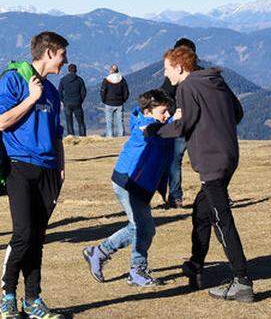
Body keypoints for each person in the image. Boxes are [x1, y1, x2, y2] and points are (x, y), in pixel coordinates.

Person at [156, 45, 254, 303]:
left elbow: (183, 125)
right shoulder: (215, 80)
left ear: (179, 67)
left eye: (167, 69)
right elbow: (238, 113)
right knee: (202, 211)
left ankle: (242, 281)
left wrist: (154, 131)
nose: (166, 75)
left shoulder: (187, 87)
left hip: (212, 161)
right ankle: (196, 264)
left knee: (222, 219)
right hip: (229, 155)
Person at [0, 31, 69, 319]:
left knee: (38, 237)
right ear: (49, 52)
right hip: (20, 166)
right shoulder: (14, 79)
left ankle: (33, 299)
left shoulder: (52, 90)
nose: (65, 60)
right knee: (23, 233)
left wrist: (61, 164)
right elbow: (2, 121)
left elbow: (57, 132)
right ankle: (8, 294)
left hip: (49, 170)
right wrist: (31, 98)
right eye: (62, 54)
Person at [83, 89, 175, 288]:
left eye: (168, 112)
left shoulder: (153, 121)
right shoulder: (147, 128)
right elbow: (155, 133)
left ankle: (100, 253)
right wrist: (178, 119)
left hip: (136, 183)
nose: (167, 115)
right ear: (149, 111)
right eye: (163, 112)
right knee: (142, 228)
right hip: (129, 183)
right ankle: (135, 269)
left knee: (142, 227)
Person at [161, 37, 196, 209]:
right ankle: (220, 195)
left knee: (174, 160)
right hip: (199, 125)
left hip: (180, 124)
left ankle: (175, 197)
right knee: (207, 162)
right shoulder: (202, 74)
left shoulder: (175, 75)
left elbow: (164, 94)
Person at [100, 65, 130, 138]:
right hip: (119, 103)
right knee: (120, 122)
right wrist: (123, 100)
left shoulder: (106, 80)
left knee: (109, 122)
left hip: (108, 103)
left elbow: (103, 91)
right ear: (117, 70)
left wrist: (104, 100)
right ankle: (121, 137)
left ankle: (110, 137)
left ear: (110, 70)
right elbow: (126, 92)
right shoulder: (122, 80)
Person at [58, 64, 87, 137]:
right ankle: (83, 137)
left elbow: (59, 92)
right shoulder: (80, 80)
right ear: (76, 70)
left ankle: (71, 137)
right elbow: (83, 92)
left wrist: (63, 101)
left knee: (69, 122)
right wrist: (80, 100)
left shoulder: (63, 80)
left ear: (68, 70)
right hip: (77, 103)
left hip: (67, 103)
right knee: (80, 122)